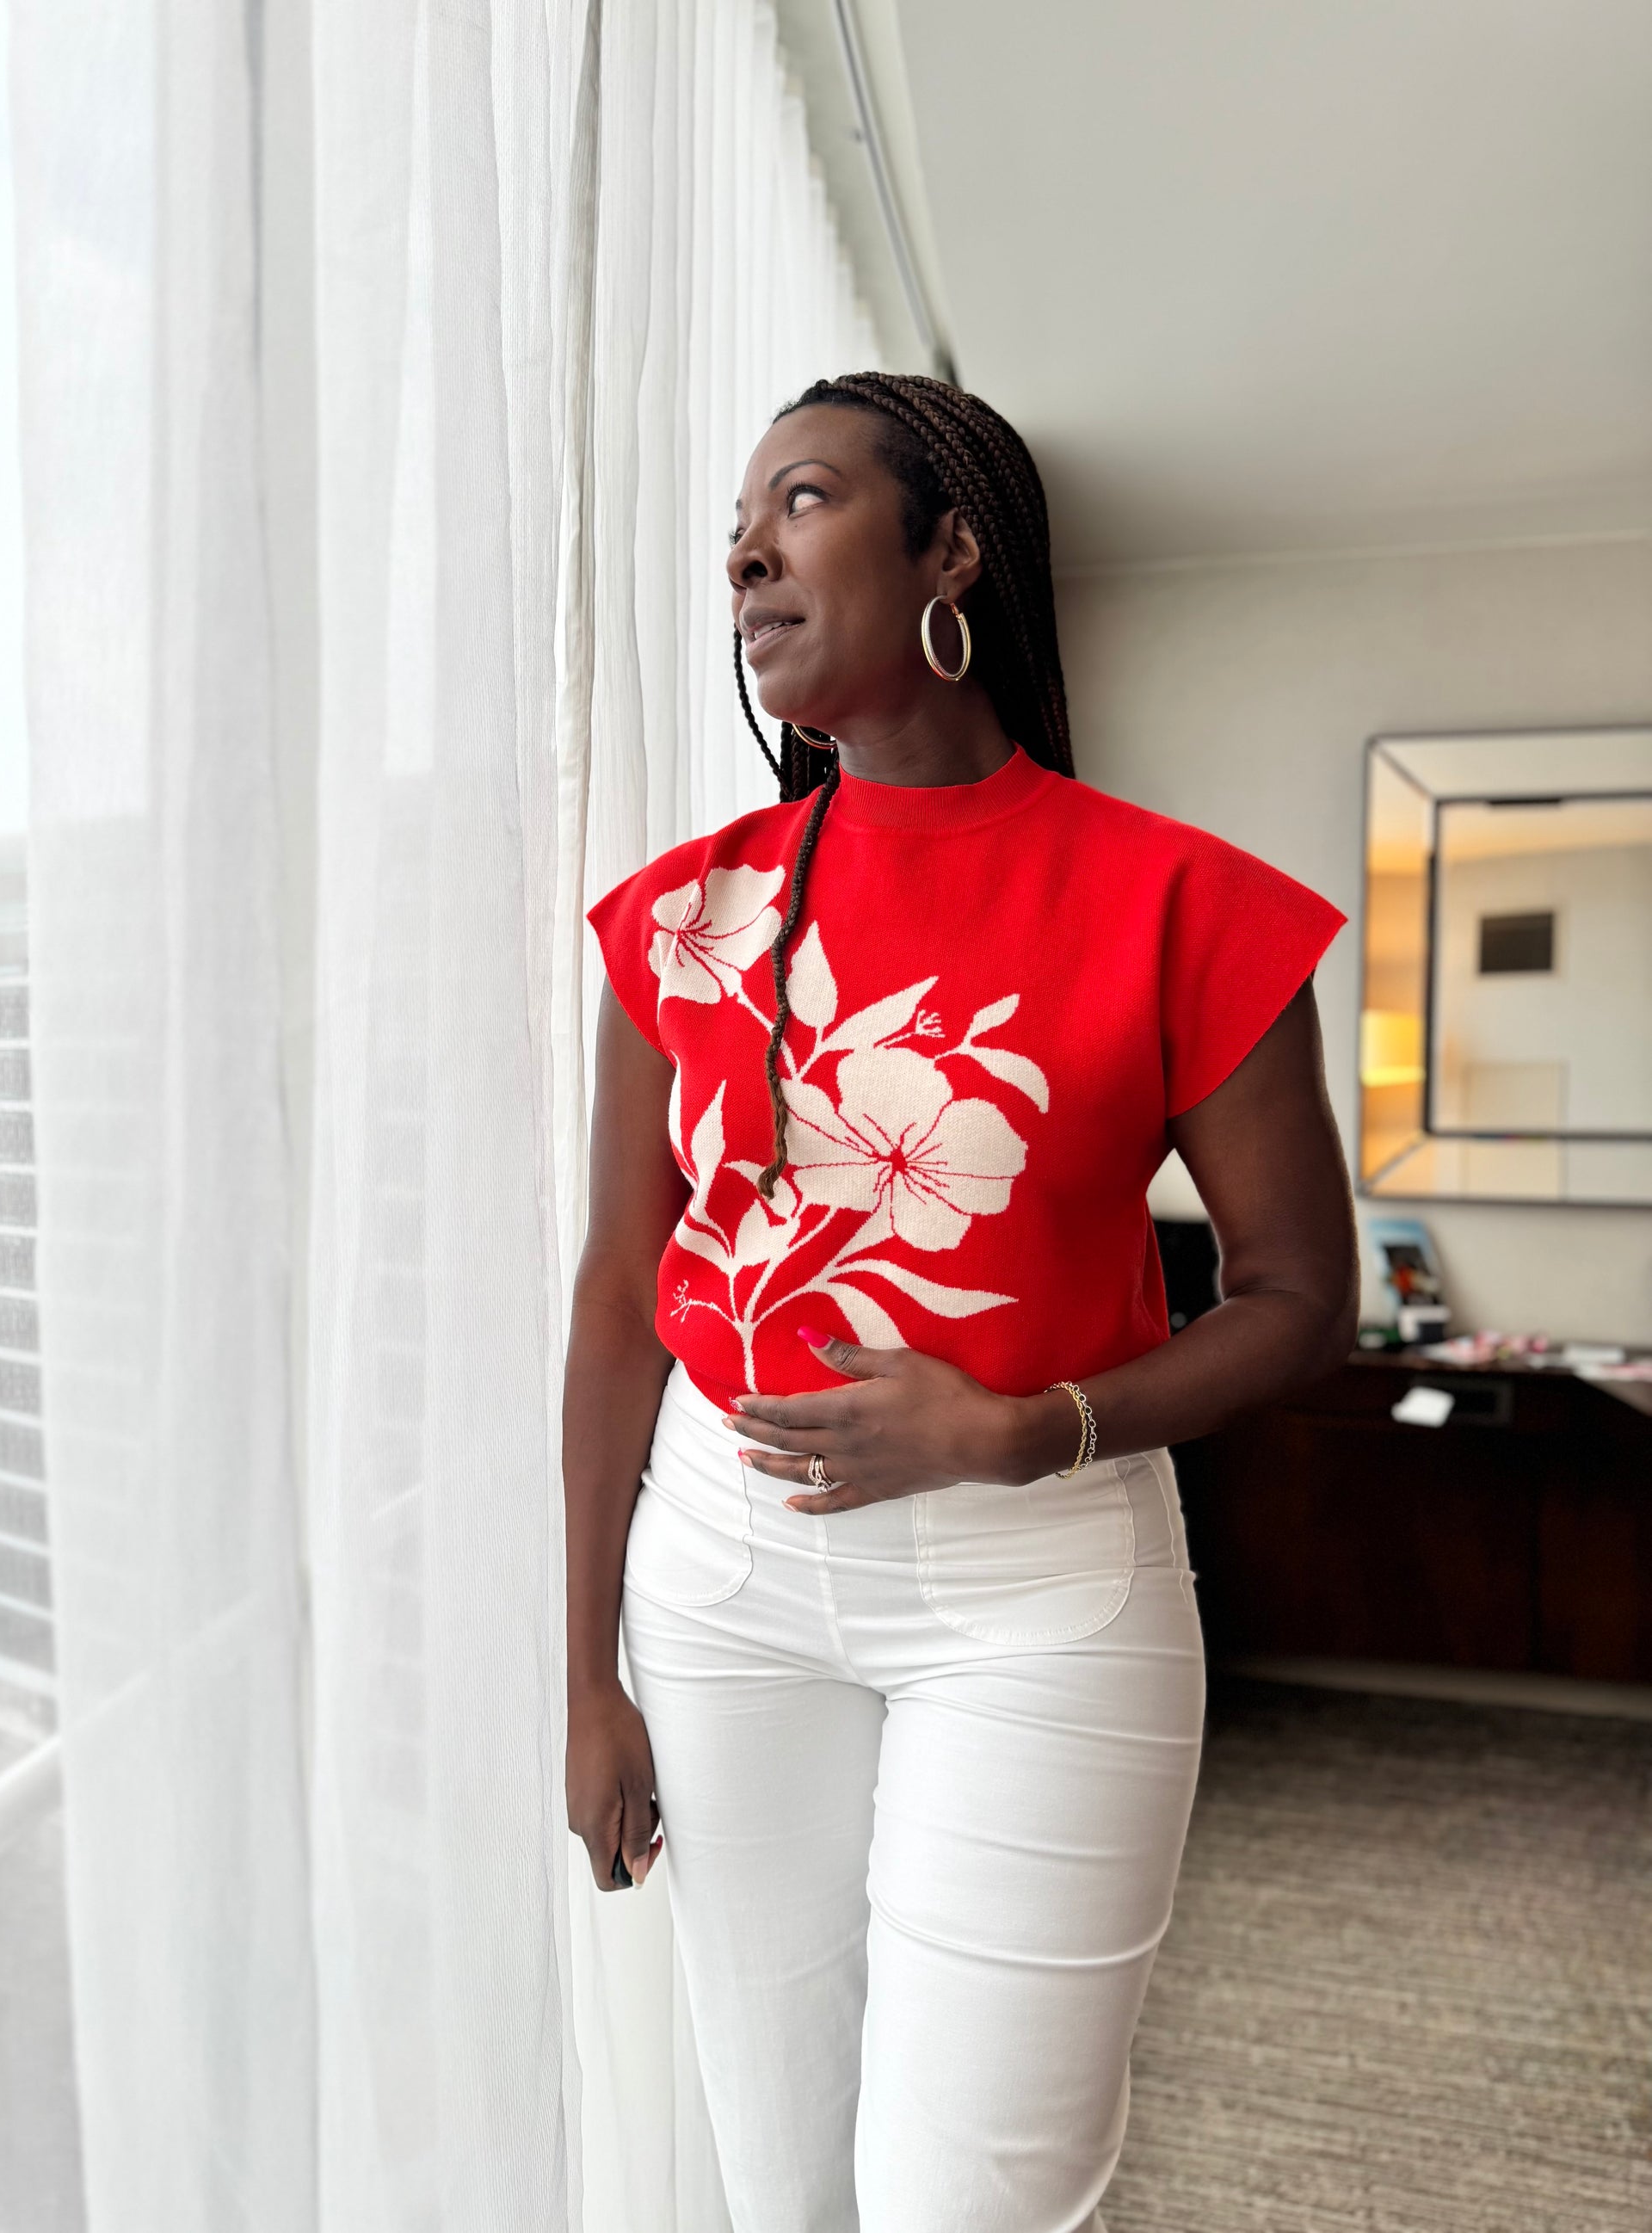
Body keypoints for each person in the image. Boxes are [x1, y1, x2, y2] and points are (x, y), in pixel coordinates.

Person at [564, 371, 1357, 2232]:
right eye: (736, 526)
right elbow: (617, 1292)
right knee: (785, 2184)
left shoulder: (1183, 903)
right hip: (719, 1583)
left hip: (1042, 1597)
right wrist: (582, 1668)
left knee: (972, 2200)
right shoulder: (677, 918)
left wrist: (1025, 1423)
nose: (747, 550)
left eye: (805, 499)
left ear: (953, 551)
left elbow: (1298, 1297)